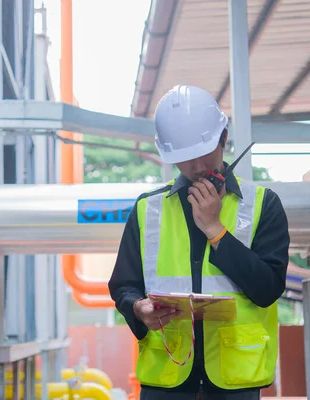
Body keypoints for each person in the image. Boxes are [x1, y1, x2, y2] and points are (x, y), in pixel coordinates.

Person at [108, 84, 290, 400]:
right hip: (166, 380)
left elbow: (268, 289)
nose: (195, 168)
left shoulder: (263, 205)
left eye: (202, 154)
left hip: (236, 382)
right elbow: (123, 285)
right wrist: (139, 309)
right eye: (183, 159)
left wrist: (216, 231)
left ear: (223, 138)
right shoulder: (147, 208)